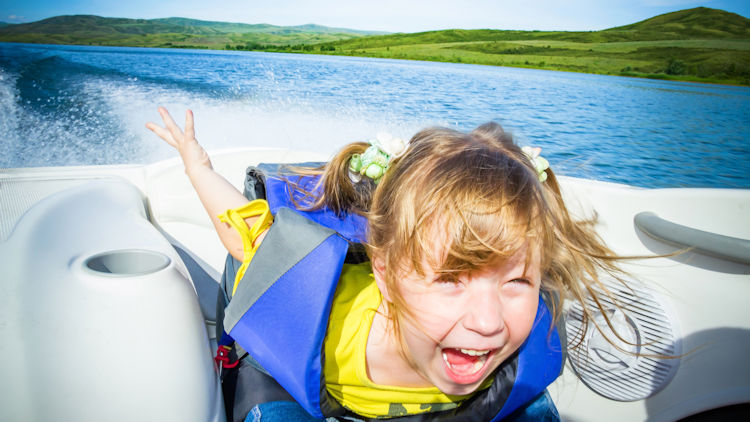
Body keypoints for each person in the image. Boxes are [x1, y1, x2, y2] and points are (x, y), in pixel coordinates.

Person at [147, 107, 628, 422]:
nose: (489, 322)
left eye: (518, 281)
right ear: (384, 271)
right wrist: (196, 165)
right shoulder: (322, 308)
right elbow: (243, 234)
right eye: (450, 279)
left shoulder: (517, 341)